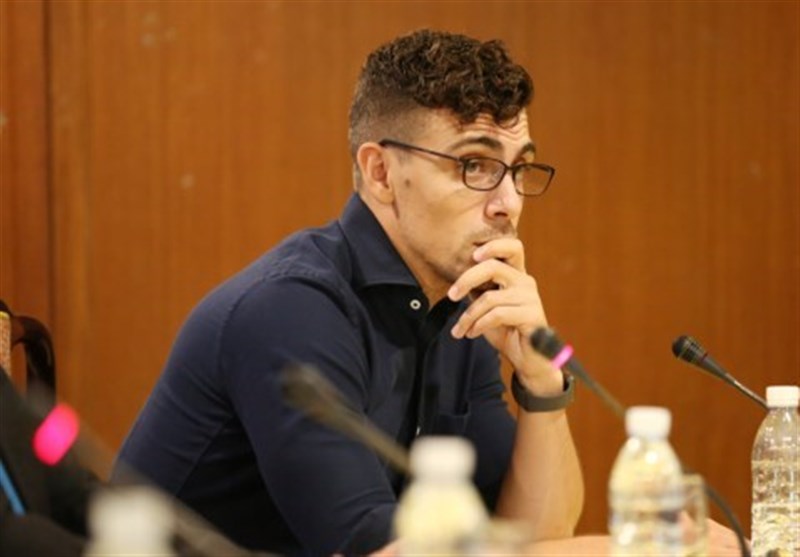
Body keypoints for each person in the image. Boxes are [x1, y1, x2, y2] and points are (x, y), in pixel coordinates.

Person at [115, 29, 742, 556]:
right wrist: (641, 546)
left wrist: (541, 384)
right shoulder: (292, 310)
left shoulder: (463, 306)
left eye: (519, 169)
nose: (508, 203)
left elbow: (532, 537)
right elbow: (380, 551)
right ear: (381, 172)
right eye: (475, 166)